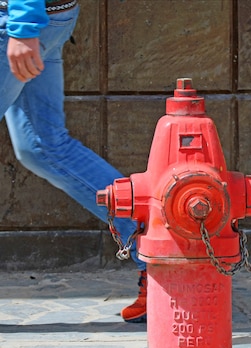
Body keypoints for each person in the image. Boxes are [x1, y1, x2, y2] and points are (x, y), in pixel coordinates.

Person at [0, 0, 148, 322]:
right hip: (46, 17)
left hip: (17, 19)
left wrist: (23, 26)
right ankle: (159, 255)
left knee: (46, 147)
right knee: (43, 148)